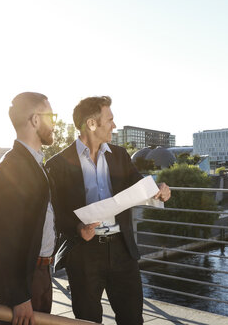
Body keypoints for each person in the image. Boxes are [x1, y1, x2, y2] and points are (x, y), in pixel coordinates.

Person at [46, 96, 171, 324]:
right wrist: (77, 227)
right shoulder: (57, 165)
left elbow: (139, 184)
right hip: (83, 253)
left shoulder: (120, 155)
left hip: (122, 250)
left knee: (133, 319)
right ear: (92, 123)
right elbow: (55, 214)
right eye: (110, 119)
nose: (114, 125)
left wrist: (158, 189)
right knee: (88, 320)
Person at [0, 92, 59, 325]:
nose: (54, 123)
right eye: (51, 116)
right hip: (25, 283)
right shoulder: (12, 168)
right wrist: (19, 296)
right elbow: (6, 239)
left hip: (40, 274)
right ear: (35, 120)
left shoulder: (34, 163)